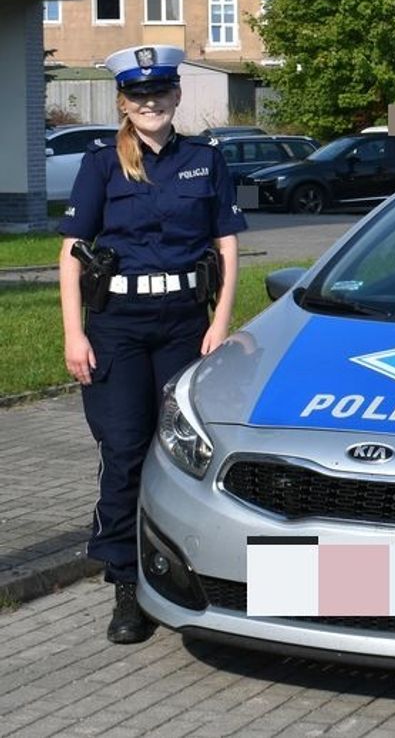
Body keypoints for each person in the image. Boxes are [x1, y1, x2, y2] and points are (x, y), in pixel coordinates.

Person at [58, 45, 247, 643]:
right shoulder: (101, 165)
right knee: (124, 450)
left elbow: (226, 245)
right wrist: (73, 332)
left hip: (185, 323)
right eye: (139, 96)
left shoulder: (204, 159)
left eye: (160, 92)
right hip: (117, 323)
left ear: (176, 96)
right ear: (124, 102)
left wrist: (220, 322)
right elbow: (70, 254)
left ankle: (190, 570)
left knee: (183, 451)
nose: (150, 103)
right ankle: (125, 585)